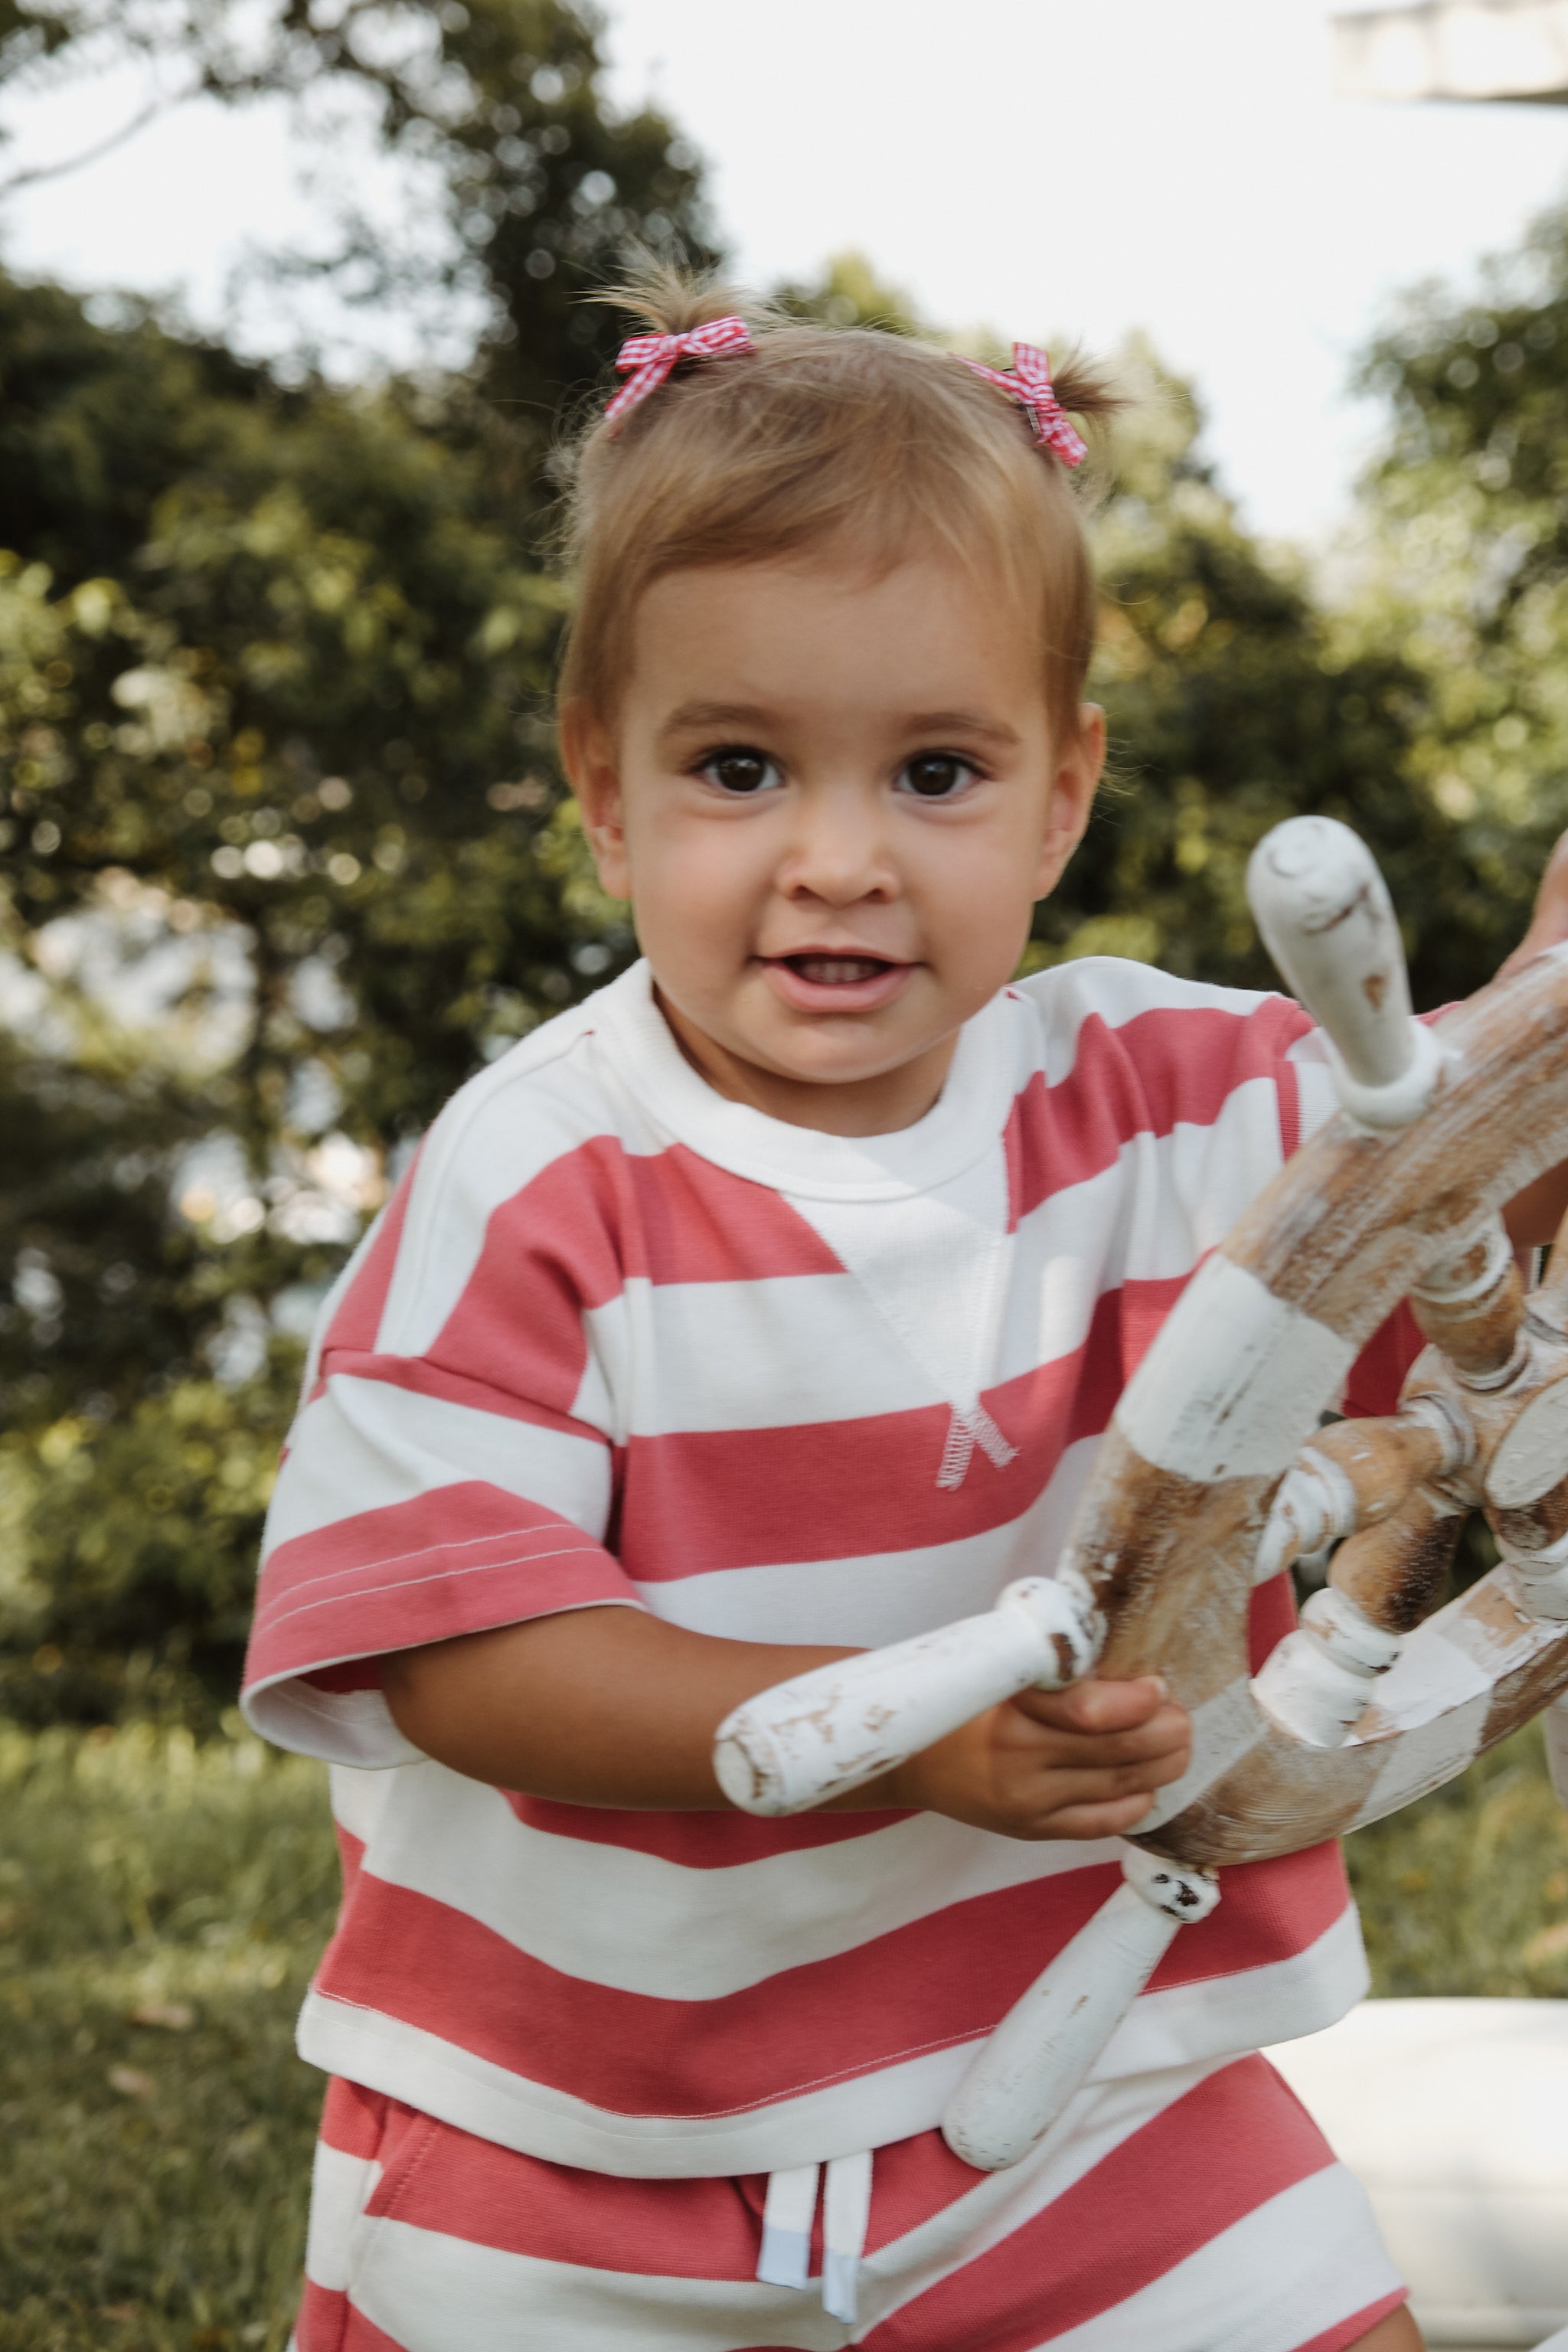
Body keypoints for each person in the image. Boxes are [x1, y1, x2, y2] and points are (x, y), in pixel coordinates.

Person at [243, 266, 1568, 2351]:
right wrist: (905, 1744)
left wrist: (1547, 1022)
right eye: (742, 766)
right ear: (605, 788)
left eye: (938, 773)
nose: (841, 857)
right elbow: (457, 1654)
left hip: (1092, 2096)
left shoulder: (1166, 1096)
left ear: (1062, 796)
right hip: (579, 2141)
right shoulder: (542, 1175)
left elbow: (1447, 1188)